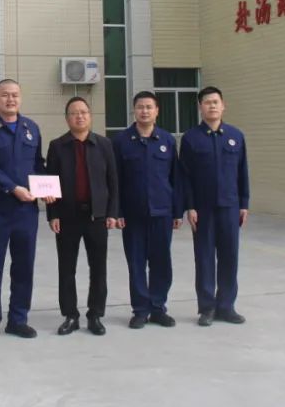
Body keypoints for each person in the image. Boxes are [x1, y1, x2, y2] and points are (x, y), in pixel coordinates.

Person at [0, 79, 46, 341]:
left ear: (20, 98)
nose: (10, 99)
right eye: (5, 95)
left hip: (27, 211)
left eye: (14, 95)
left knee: (24, 266)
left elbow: (37, 164)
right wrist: (13, 188)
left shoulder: (31, 128)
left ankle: (18, 319)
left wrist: (45, 187)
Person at [45, 97, 119, 336]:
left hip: (97, 216)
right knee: (67, 268)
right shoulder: (57, 146)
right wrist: (53, 214)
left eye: (84, 112)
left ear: (90, 116)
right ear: (67, 118)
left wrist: (112, 213)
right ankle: (70, 315)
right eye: (74, 113)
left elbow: (113, 181)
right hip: (67, 217)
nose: (79, 116)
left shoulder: (104, 144)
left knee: (98, 267)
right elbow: (51, 182)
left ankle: (95, 315)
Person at [180, 86, 250, 327]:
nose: (212, 106)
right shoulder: (191, 138)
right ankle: (207, 307)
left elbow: (242, 172)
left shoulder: (236, 136)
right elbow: (185, 176)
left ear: (223, 105)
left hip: (230, 206)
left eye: (215, 102)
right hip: (203, 209)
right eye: (207, 102)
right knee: (205, 258)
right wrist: (190, 206)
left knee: (230, 257)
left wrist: (244, 203)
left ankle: (227, 306)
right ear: (200, 107)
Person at [113, 90, 183, 329]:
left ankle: (158, 308)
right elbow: (115, 180)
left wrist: (177, 212)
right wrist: (118, 211)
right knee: (136, 263)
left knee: (161, 262)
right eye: (140, 107)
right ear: (134, 110)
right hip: (133, 214)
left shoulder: (167, 140)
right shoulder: (121, 141)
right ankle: (140, 310)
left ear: (156, 111)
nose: (144, 111)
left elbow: (175, 178)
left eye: (149, 107)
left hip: (162, 213)